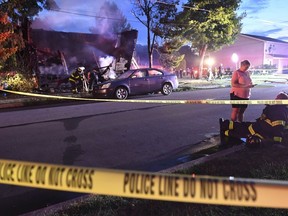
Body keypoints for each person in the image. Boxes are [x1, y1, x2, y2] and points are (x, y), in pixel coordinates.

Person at [220, 92, 288, 147]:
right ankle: (225, 127)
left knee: (241, 130)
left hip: (260, 131)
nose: (275, 99)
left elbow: (278, 127)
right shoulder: (278, 109)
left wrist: (277, 142)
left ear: (280, 100)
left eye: (277, 98)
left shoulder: (279, 111)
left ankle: (225, 129)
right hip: (258, 127)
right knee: (242, 126)